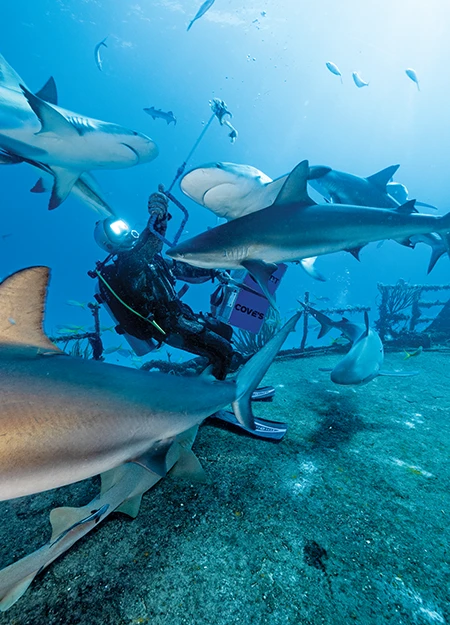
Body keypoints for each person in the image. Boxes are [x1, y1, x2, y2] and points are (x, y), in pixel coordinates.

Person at [93, 189, 242, 379]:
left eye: (122, 226)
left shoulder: (153, 261)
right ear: (108, 243)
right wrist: (159, 218)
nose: (124, 231)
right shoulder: (127, 267)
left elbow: (185, 270)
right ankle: (215, 401)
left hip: (183, 315)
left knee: (225, 332)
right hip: (168, 326)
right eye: (117, 230)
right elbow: (151, 245)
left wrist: (214, 271)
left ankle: (201, 375)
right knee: (222, 350)